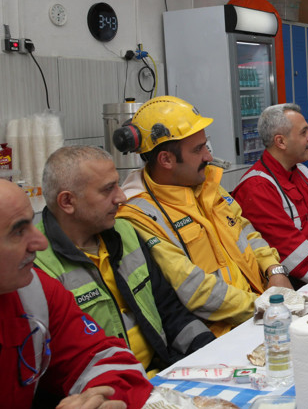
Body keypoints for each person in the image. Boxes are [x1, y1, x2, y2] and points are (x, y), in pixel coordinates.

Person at [115, 96, 289, 337]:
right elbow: (193, 288)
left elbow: (245, 231)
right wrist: (265, 306)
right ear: (166, 159)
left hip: (262, 312)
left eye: (206, 145)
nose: (208, 156)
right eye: (198, 149)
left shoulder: (206, 184)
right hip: (222, 335)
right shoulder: (141, 214)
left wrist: (274, 270)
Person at [35, 146, 214, 376]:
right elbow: (59, 369)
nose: (121, 197)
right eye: (108, 189)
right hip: (109, 391)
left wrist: (210, 351)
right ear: (68, 202)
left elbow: (169, 310)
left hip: (159, 372)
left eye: (118, 185)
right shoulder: (38, 266)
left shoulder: (124, 232)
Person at [0, 179, 153, 409]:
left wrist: (102, 399)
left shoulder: (34, 292)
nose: (40, 242)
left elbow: (104, 358)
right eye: (18, 232)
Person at [233, 104, 308, 285]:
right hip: (303, 282)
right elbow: (291, 253)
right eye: (304, 133)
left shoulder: (302, 171)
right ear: (280, 142)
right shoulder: (257, 187)